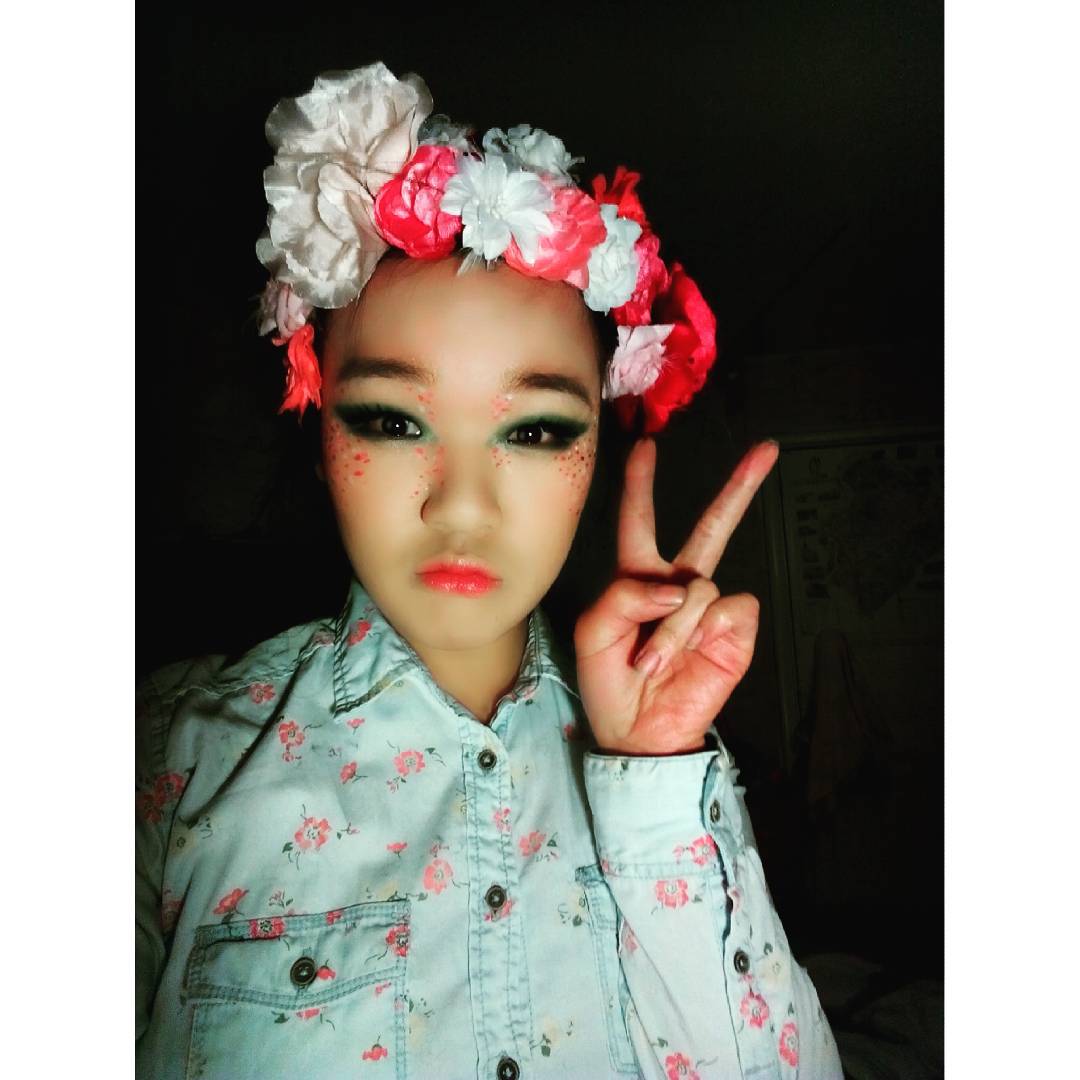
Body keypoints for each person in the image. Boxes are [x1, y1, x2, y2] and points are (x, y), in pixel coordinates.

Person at [136, 62, 842, 1079]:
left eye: (536, 430)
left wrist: (653, 778)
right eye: (392, 421)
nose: (462, 505)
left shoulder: (670, 767)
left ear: (597, 446)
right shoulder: (165, 758)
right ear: (317, 425)